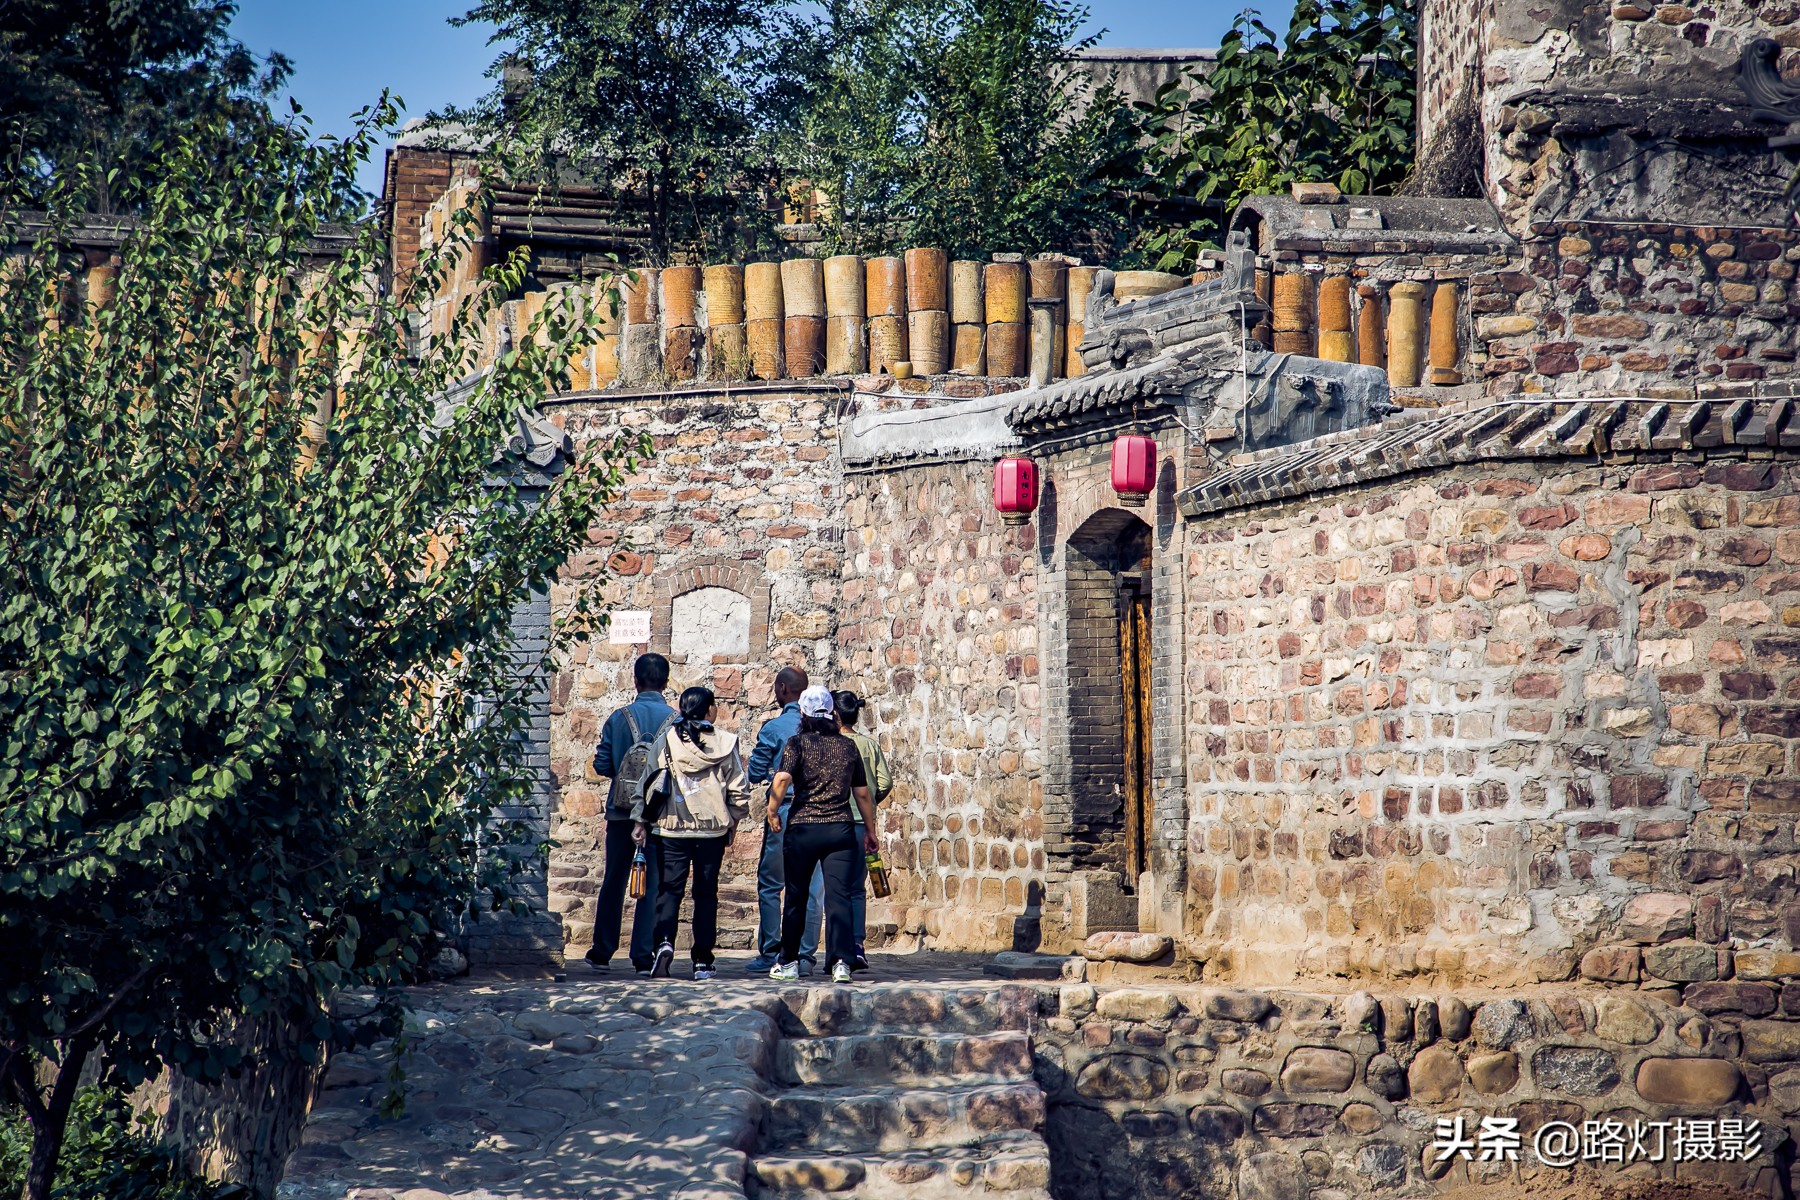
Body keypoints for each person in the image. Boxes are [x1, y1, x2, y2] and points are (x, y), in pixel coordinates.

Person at [632, 686, 749, 981]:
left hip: (671, 828)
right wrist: (732, 820)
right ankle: (703, 961)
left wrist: (639, 822)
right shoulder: (724, 743)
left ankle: (664, 943)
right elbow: (738, 790)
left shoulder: (666, 742)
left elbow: (647, 785)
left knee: (669, 891)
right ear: (709, 710)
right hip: (712, 831)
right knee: (706, 895)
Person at [767, 687, 879, 985]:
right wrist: (870, 830)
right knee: (839, 896)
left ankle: (788, 961)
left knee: (796, 896)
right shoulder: (847, 747)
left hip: (803, 828)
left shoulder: (797, 744)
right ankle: (842, 962)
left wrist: (772, 810)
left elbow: (781, 779)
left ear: (802, 713)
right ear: (832, 713)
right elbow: (863, 794)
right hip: (839, 828)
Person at [588, 653, 675, 974]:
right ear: (666, 682)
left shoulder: (618, 718)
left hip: (620, 812)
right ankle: (642, 955)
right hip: (658, 815)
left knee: (614, 880)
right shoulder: (675, 720)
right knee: (652, 883)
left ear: (635, 680)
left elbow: (602, 765)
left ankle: (602, 951)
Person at [745, 666, 824, 974]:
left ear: (781, 689)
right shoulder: (821, 730)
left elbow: (755, 773)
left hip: (785, 808)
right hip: (818, 811)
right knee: (811, 886)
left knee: (771, 883)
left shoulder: (774, 729)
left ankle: (771, 951)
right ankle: (805, 955)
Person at [833, 690, 892, 971]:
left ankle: (837, 947)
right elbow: (885, 781)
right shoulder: (868, 745)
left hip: (835, 820)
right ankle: (857, 945)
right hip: (861, 823)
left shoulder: (834, 744)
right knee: (857, 888)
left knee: (836, 888)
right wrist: (870, 803)